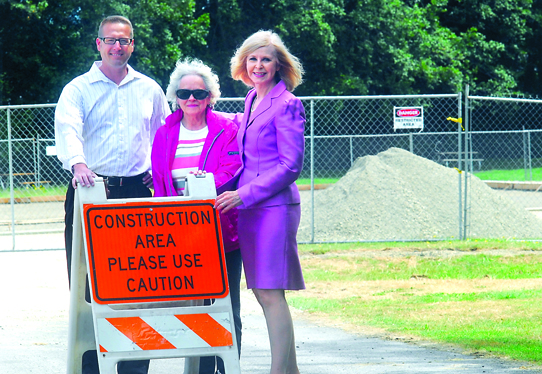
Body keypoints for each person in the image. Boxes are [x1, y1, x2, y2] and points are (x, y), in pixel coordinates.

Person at [54, 15, 170, 374]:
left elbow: (163, 137)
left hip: (138, 193)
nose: (117, 47)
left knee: (141, 284)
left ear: (132, 44)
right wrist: (78, 164)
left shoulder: (149, 88)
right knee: (89, 287)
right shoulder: (78, 88)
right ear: (98, 44)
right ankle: (90, 365)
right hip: (91, 191)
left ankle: (133, 368)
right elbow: (68, 129)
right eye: (110, 40)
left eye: (124, 40)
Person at [215, 30, 306, 374]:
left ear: (279, 65)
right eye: (252, 59)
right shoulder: (251, 98)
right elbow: (246, 159)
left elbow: (290, 166)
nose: (258, 65)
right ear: (243, 64)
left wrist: (243, 194)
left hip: (274, 209)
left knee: (270, 293)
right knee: (264, 293)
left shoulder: (287, 104)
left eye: (266, 59)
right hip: (250, 210)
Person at [151, 58, 242, 374]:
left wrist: (199, 191)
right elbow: (161, 182)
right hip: (181, 234)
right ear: (175, 95)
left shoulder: (227, 129)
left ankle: (227, 368)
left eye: (199, 93)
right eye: (184, 92)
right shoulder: (164, 133)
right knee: (195, 309)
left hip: (220, 230)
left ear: (210, 97)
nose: (191, 98)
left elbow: (230, 170)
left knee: (227, 307)